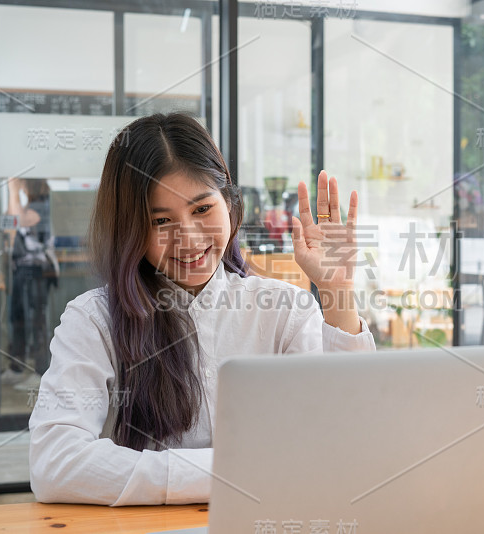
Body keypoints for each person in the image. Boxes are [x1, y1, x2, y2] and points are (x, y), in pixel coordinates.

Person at [28, 113, 374, 506]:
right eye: (160, 220)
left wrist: (337, 292)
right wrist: (232, 474)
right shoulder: (93, 320)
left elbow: (347, 436)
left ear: (229, 203)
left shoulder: (284, 309)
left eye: (202, 209)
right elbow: (54, 463)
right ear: (130, 230)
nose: (188, 238)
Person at [3, 178, 58, 391]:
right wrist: (13, 194)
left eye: (23, 184)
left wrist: (13, 192)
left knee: (37, 322)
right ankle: (18, 368)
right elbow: (9, 226)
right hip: (23, 271)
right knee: (19, 320)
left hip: (36, 272)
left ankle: (41, 371)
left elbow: (16, 222)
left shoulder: (41, 206)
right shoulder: (30, 206)